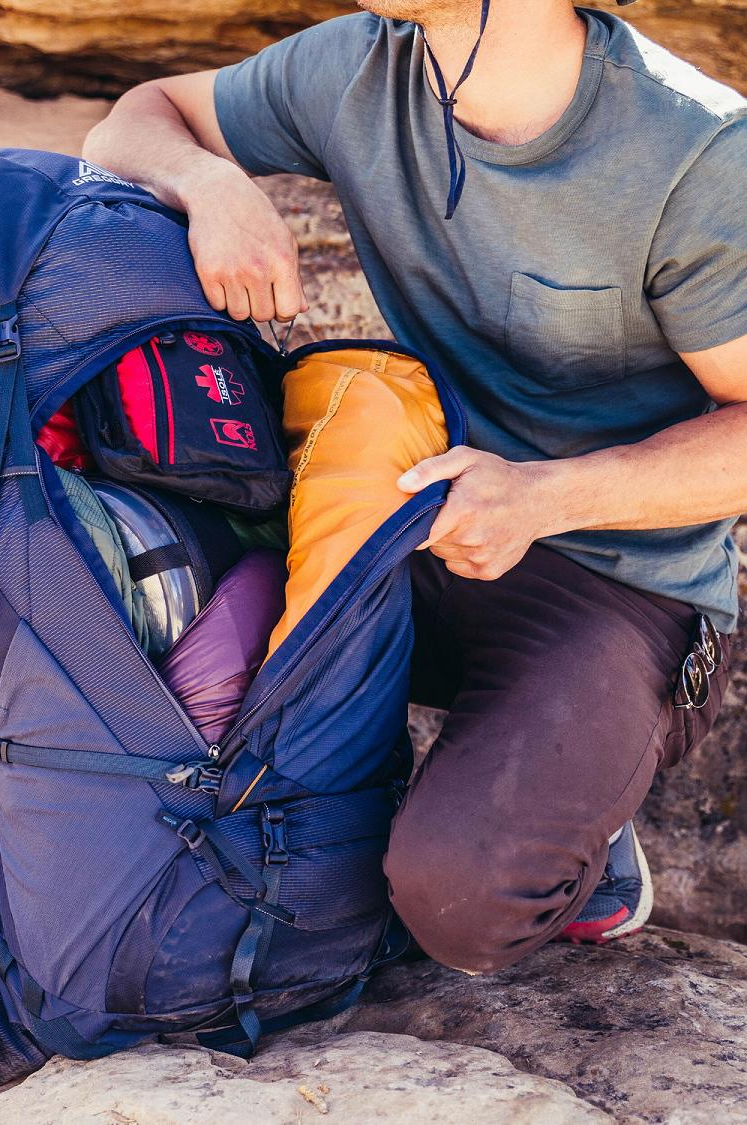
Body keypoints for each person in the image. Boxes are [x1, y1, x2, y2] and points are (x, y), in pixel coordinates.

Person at [81, 0, 747, 973]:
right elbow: (138, 114)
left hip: (618, 574)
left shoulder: (695, 150)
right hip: (420, 513)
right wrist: (208, 181)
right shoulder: (358, 65)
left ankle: (577, 811)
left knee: (459, 899)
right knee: (135, 602)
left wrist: (543, 497)